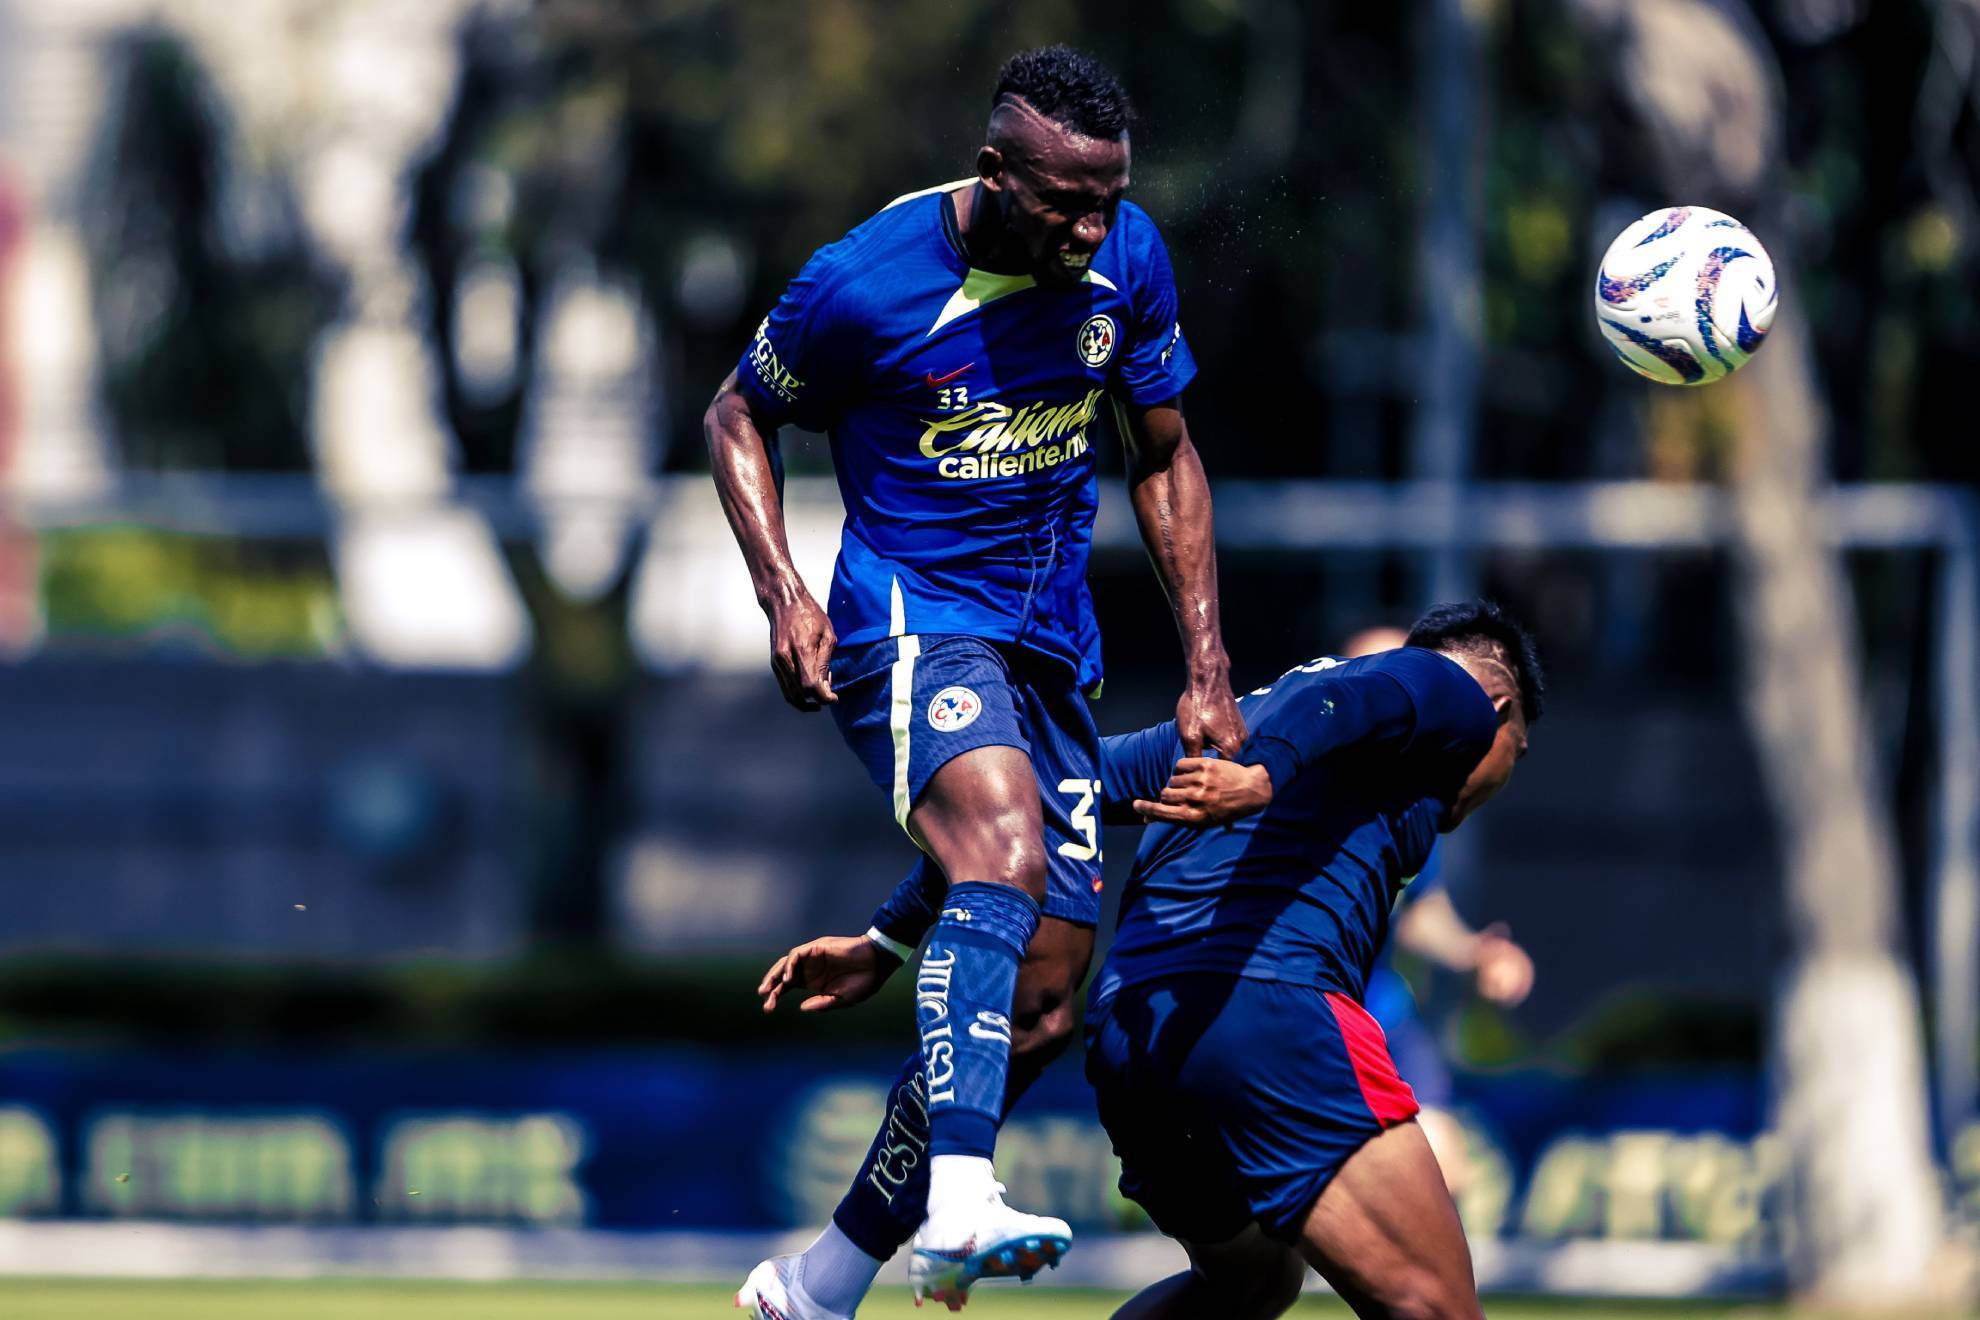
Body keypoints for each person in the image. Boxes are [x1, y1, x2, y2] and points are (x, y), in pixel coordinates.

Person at [707, 45, 1245, 1316]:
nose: (1092, 225)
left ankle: (818, 1284)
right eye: (1066, 200)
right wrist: (783, 592)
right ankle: (958, 1199)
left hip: (1047, 645)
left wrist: (1208, 664)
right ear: (995, 171)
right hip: (905, 624)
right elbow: (738, 415)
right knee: (1001, 851)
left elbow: (1165, 458)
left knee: (1046, 999)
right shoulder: (863, 283)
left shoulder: (1129, 259)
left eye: (1109, 197)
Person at [756, 601, 1544, 1319]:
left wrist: (890, 936)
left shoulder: (1245, 724)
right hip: (1266, 1013)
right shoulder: (1452, 694)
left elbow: (1038, 800)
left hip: (1134, 1039)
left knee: (1253, 1282)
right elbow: (1353, 699)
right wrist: (1264, 774)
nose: (1501, 775)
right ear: (1501, 711)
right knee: (1438, 1309)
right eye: (1518, 753)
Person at [1341, 628, 1536, 1201]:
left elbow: (1419, 911)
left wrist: (1474, 952)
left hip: (1380, 1011)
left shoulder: (1415, 799)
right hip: (1300, 1010)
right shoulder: (1299, 773)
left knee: (1444, 1170)